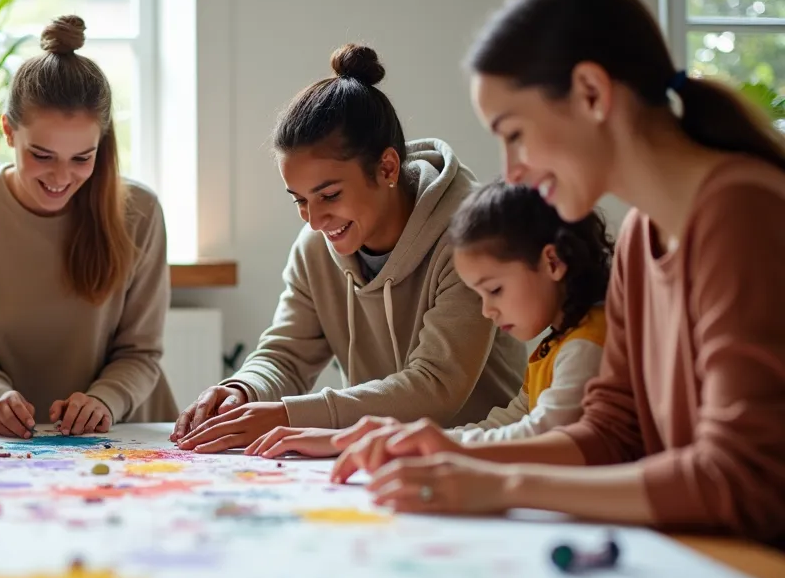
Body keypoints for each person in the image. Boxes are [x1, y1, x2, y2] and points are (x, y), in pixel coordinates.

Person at [333, 0, 785, 545]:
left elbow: (741, 477)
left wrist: (507, 486)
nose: (513, 169)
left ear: (592, 93)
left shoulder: (741, 211)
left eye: (515, 132)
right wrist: (455, 449)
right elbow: (612, 433)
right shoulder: (643, 237)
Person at [173, 43, 525, 453]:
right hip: (381, 458)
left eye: (330, 195)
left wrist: (288, 415)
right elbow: (286, 355)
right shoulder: (315, 248)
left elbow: (435, 386)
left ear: (388, 168)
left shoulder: (470, 235)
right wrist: (243, 391)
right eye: (299, 200)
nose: (314, 220)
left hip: (482, 456)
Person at [248, 179, 610, 458]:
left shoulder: (585, 345)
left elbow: (541, 435)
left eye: (494, 290)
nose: (486, 310)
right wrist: (396, 442)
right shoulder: (555, 345)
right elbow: (507, 423)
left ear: (553, 262)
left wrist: (422, 446)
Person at [0, 15, 175, 437]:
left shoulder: (140, 212)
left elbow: (141, 351)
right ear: (8, 131)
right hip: (7, 439)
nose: (60, 178)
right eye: (41, 154)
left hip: (128, 434)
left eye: (81, 158)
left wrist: (104, 399)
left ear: (102, 144)